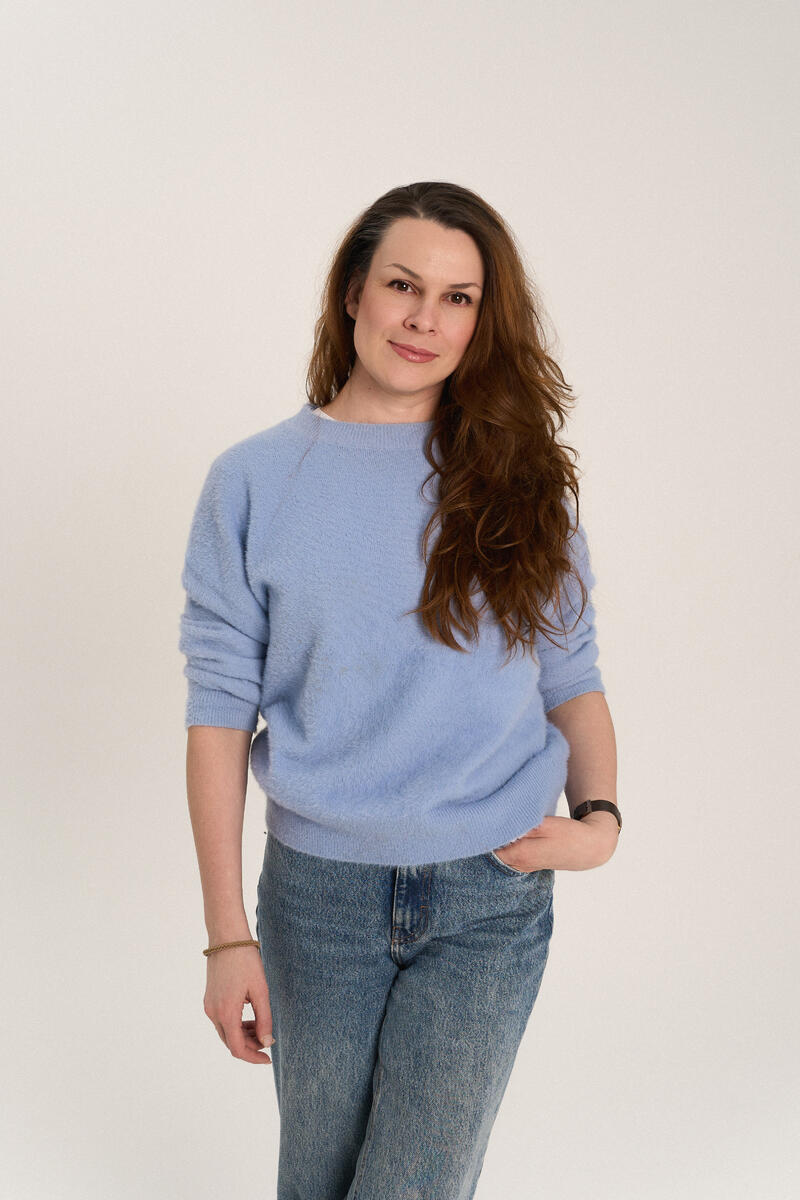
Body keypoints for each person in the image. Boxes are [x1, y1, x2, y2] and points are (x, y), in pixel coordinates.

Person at [178, 180, 620, 1199]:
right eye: (402, 286)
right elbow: (217, 715)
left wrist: (599, 820)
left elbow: (572, 674)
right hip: (317, 899)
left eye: (458, 298)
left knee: (412, 1185)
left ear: (482, 322)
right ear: (353, 294)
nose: (425, 319)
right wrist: (226, 937)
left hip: (489, 891)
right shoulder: (252, 481)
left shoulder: (519, 481)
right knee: (319, 1179)